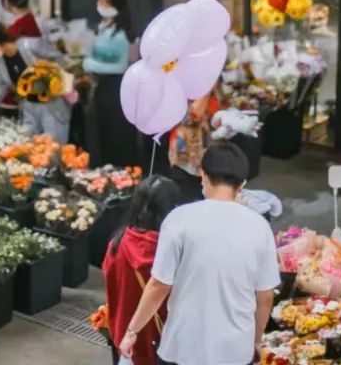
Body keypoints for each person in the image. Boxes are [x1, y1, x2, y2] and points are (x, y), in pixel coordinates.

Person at [120, 142, 279, 365]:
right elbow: (266, 296)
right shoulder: (260, 227)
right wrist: (256, 339)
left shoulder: (179, 219)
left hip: (182, 347)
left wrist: (132, 331)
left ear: (202, 175)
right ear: (242, 183)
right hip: (234, 351)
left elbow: (159, 286)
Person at [102, 175, 180, 365]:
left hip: (127, 338)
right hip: (163, 343)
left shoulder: (117, 244)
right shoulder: (172, 253)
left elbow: (111, 285)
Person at [0, 18, 72, 143]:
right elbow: (0, 86)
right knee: (29, 150)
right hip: (28, 109)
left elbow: (61, 60)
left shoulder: (30, 46)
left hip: (52, 107)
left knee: (54, 151)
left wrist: (48, 78)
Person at [83, 0, 136, 166]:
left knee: (116, 135)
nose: (101, 6)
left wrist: (91, 64)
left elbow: (120, 66)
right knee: (102, 134)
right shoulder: (101, 27)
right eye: (99, 1)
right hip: (101, 88)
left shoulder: (122, 33)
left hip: (117, 89)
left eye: (106, 2)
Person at [167, 91, 220, 204]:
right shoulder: (183, 89)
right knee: (186, 199)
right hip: (185, 154)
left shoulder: (210, 89)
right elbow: (194, 114)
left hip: (205, 151)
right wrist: (207, 89)